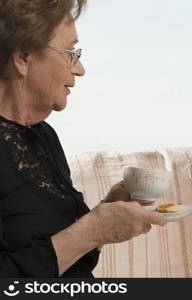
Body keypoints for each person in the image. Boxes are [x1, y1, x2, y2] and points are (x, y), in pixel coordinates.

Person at [0, 0, 166, 277]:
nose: (80, 69)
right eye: (70, 52)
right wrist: (91, 230)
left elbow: (69, 261)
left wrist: (107, 215)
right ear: (23, 58)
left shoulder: (42, 136)